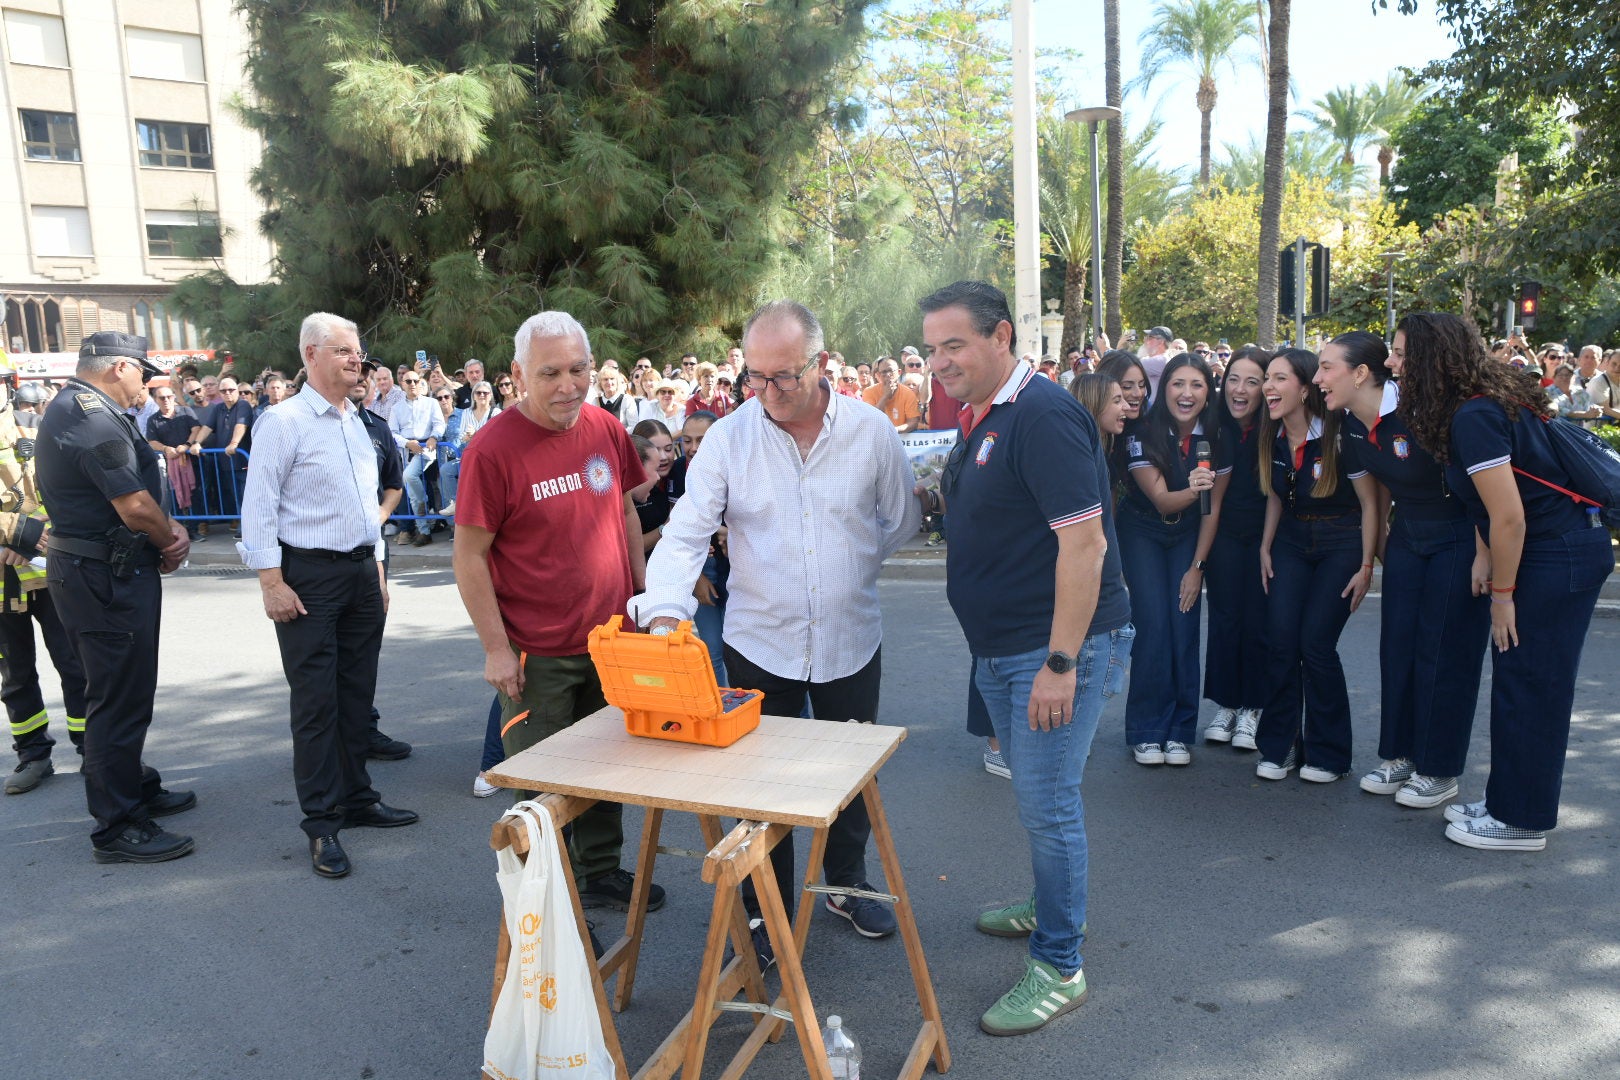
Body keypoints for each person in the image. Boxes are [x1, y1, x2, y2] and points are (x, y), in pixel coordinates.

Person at [631, 299, 918, 961]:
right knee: (761, 794)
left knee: (850, 778)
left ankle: (845, 882)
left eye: (784, 377)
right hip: (760, 642)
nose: (768, 393)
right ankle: (764, 915)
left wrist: (852, 567)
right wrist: (667, 612)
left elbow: (899, 520)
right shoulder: (731, 437)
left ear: (821, 365)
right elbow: (684, 535)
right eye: (754, 378)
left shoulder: (872, 432)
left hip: (851, 640)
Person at [920, 281, 1132, 1037]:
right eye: (932, 347)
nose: (939, 361)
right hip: (1004, 649)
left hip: (1048, 653)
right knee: (1040, 802)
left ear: (1000, 335)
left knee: (1047, 806)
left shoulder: (1040, 415)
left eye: (954, 345)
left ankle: (1060, 963)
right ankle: (1051, 906)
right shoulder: (987, 412)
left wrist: (1061, 663)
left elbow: (1086, 544)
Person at [454, 310, 663, 911]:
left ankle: (599, 873)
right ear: (518, 374)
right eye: (550, 373)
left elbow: (623, 512)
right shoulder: (491, 451)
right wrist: (496, 647)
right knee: (544, 788)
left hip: (610, 641)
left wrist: (643, 597)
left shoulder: (603, 427)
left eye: (579, 369)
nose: (568, 385)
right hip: (535, 651)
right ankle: (552, 905)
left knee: (606, 770)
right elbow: (468, 557)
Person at [1394, 313, 1613, 851]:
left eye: (1400, 353)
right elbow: (1496, 504)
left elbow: (1510, 515)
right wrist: (1483, 556)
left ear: (1429, 361)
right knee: (1523, 681)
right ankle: (1507, 802)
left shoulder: (1474, 415)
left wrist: (1502, 597)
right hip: (1558, 548)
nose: (1391, 363)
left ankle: (1521, 820)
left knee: (1530, 686)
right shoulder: (1480, 405)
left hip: (1554, 554)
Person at [237, 313, 417, 880]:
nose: (355, 359)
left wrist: (380, 570)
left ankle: (357, 798)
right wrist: (271, 582)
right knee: (316, 705)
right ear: (311, 354)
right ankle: (321, 825)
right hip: (308, 579)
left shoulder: (358, 422)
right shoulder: (282, 422)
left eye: (357, 350)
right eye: (342, 350)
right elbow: (258, 508)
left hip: (362, 574)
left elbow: (368, 508)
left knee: (356, 698)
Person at [37, 331, 194, 862]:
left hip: (106, 571)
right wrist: (170, 537)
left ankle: (135, 786)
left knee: (127, 689)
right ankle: (118, 824)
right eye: (141, 373)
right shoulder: (90, 414)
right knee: (117, 697)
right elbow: (133, 504)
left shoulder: (86, 408)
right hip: (102, 575)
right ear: (117, 368)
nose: (147, 383)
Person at [1317, 330, 1491, 810]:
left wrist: (1484, 553)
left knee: (1444, 654)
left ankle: (1439, 769)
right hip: (1409, 539)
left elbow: (1481, 489)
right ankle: (1399, 756)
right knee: (1398, 648)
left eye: (1327, 367)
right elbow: (1374, 501)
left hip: (1459, 536)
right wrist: (1368, 563)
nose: (1318, 378)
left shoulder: (1425, 411)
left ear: (1360, 373)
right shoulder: (1350, 424)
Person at [1253, 349, 1380, 783]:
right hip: (1289, 541)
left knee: (1316, 646)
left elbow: (1369, 503)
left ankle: (1328, 755)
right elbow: (1275, 494)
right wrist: (1266, 546)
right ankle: (1281, 746)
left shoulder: (1339, 434)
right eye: (1267, 378)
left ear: (1305, 388)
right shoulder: (1270, 435)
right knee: (1281, 642)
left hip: (1341, 541)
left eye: (1279, 378)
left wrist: (1366, 565)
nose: (1268, 386)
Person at [1116, 353, 1224, 767]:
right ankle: (1146, 730)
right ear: (1165, 390)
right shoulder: (1142, 432)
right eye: (1178, 384)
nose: (1187, 393)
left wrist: (1197, 568)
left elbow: (1214, 508)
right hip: (1143, 529)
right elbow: (1161, 500)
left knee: (1184, 622)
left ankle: (1179, 731)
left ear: (1206, 391)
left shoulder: (1216, 434)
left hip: (1190, 534)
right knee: (1153, 625)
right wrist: (1199, 489)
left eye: (1197, 385)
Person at [0, 360, 89, 796]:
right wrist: (14, 533)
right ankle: (33, 754)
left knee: (76, 662)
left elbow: (61, 490)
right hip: (3, 580)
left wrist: (41, 534)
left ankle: (94, 749)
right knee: (15, 673)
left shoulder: (36, 430)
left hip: (49, 567)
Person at [1200, 348, 1271, 749]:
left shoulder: (1274, 429)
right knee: (1225, 620)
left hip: (1267, 539)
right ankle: (1226, 704)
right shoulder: (1216, 427)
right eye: (1233, 379)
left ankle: (1252, 708)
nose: (1239, 389)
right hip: (1225, 535)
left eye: (1251, 381)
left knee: (1258, 621)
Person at [347, 363, 411, 763]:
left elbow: (394, 485)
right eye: (355, 370)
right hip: (318, 560)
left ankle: (362, 729)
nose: (360, 378)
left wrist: (379, 518)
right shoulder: (299, 422)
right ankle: (336, 736)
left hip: (371, 548)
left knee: (365, 646)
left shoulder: (377, 426)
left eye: (366, 373)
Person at [387, 365, 445, 547]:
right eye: (408, 381)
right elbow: (392, 432)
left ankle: (424, 504)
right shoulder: (396, 408)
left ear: (421, 383)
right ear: (402, 384)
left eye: (416, 381)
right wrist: (406, 443)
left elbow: (439, 424)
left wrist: (434, 437)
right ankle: (424, 530)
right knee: (411, 490)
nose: (412, 384)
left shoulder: (431, 403)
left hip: (427, 448)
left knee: (409, 476)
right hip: (406, 450)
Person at [188, 375, 253, 527]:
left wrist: (234, 443)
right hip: (226, 463)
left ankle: (248, 528)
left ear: (237, 390)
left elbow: (240, 425)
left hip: (243, 461)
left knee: (247, 496)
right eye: (223, 391)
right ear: (219, 392)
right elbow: (207, 427)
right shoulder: (218, 408)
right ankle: (241, 526)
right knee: (234, 495)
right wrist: (197, 443)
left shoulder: (243, 405)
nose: (228, 393)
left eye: (231, 389)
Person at [144, 383, 203, 540]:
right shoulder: (153, 419)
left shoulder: (185, 411)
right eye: (161, 398)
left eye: (169, 397)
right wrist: (165, 449)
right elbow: (151, 441)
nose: (166, 400)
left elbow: (196, 429)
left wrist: (187, 445)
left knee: (195, 494)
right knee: (174, 496)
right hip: (171, 464)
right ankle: (180, 530)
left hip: (192, 461)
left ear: (174, 397)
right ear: (155, 400)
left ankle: (195, 529)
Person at [440, 380, 499, 511]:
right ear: (473, 395)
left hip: (489, 459)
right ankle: (456, 503)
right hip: (469, 455)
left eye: (485, 392)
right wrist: (467, 437)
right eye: (478, 393)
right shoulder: (466, 413)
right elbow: (463, 437)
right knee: (446, 469)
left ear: (490, 395)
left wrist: (476, 434)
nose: (482, 395)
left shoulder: (496, 413)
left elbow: (496, 438)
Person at [861, 356, 922, 431]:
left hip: (900, 437)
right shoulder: (869, 392)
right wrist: (885, 396)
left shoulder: (908, 393)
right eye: (884, 372)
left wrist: (894, 430)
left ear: (899, 372)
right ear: (879, 375)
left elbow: (913, 422)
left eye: (890, 371)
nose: (888, 374)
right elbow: (871, 419)